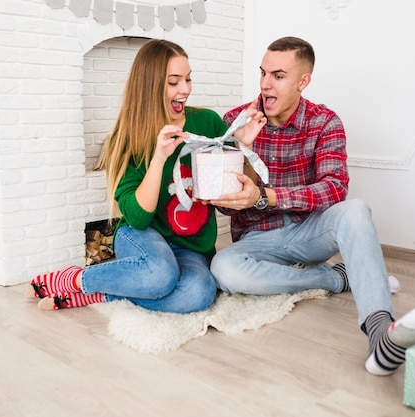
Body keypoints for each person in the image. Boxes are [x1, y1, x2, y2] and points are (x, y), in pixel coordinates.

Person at [208, 36, 415, 376]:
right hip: (257, 240)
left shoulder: (325, 122)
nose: (266, 84)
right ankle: (335, 279)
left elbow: (333, 190)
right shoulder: (235, 121)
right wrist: (242, 153)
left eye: (279, 76)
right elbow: (226, 207)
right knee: (223, 270)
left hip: (308, 234)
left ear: (303, 81)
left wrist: (266, 196)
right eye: (263, 73)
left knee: (355, 210)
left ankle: (379, 332)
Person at [23, 39, 265, 313]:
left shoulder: (207, 122)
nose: (185, 89)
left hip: (192, 247)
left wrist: (245, 147)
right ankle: (76, 278)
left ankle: (104, 293)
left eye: (187, 79)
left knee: (199, 294)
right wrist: (159, 158)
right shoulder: (126, 140)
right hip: (141, 236)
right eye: (174, 82)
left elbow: (237, 194)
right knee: (160, 274)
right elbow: (137, 218)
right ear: (150, 85)